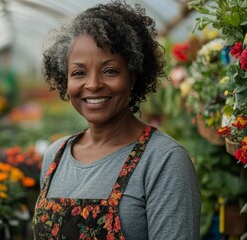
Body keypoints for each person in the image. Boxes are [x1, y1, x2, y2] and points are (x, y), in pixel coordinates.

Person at [32, 1, 201, 239]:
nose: (92, 84)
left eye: (109, 70)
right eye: (79, 73)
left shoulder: (163, 160)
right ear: (65, 80)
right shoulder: (55, 156)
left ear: (132, 76)